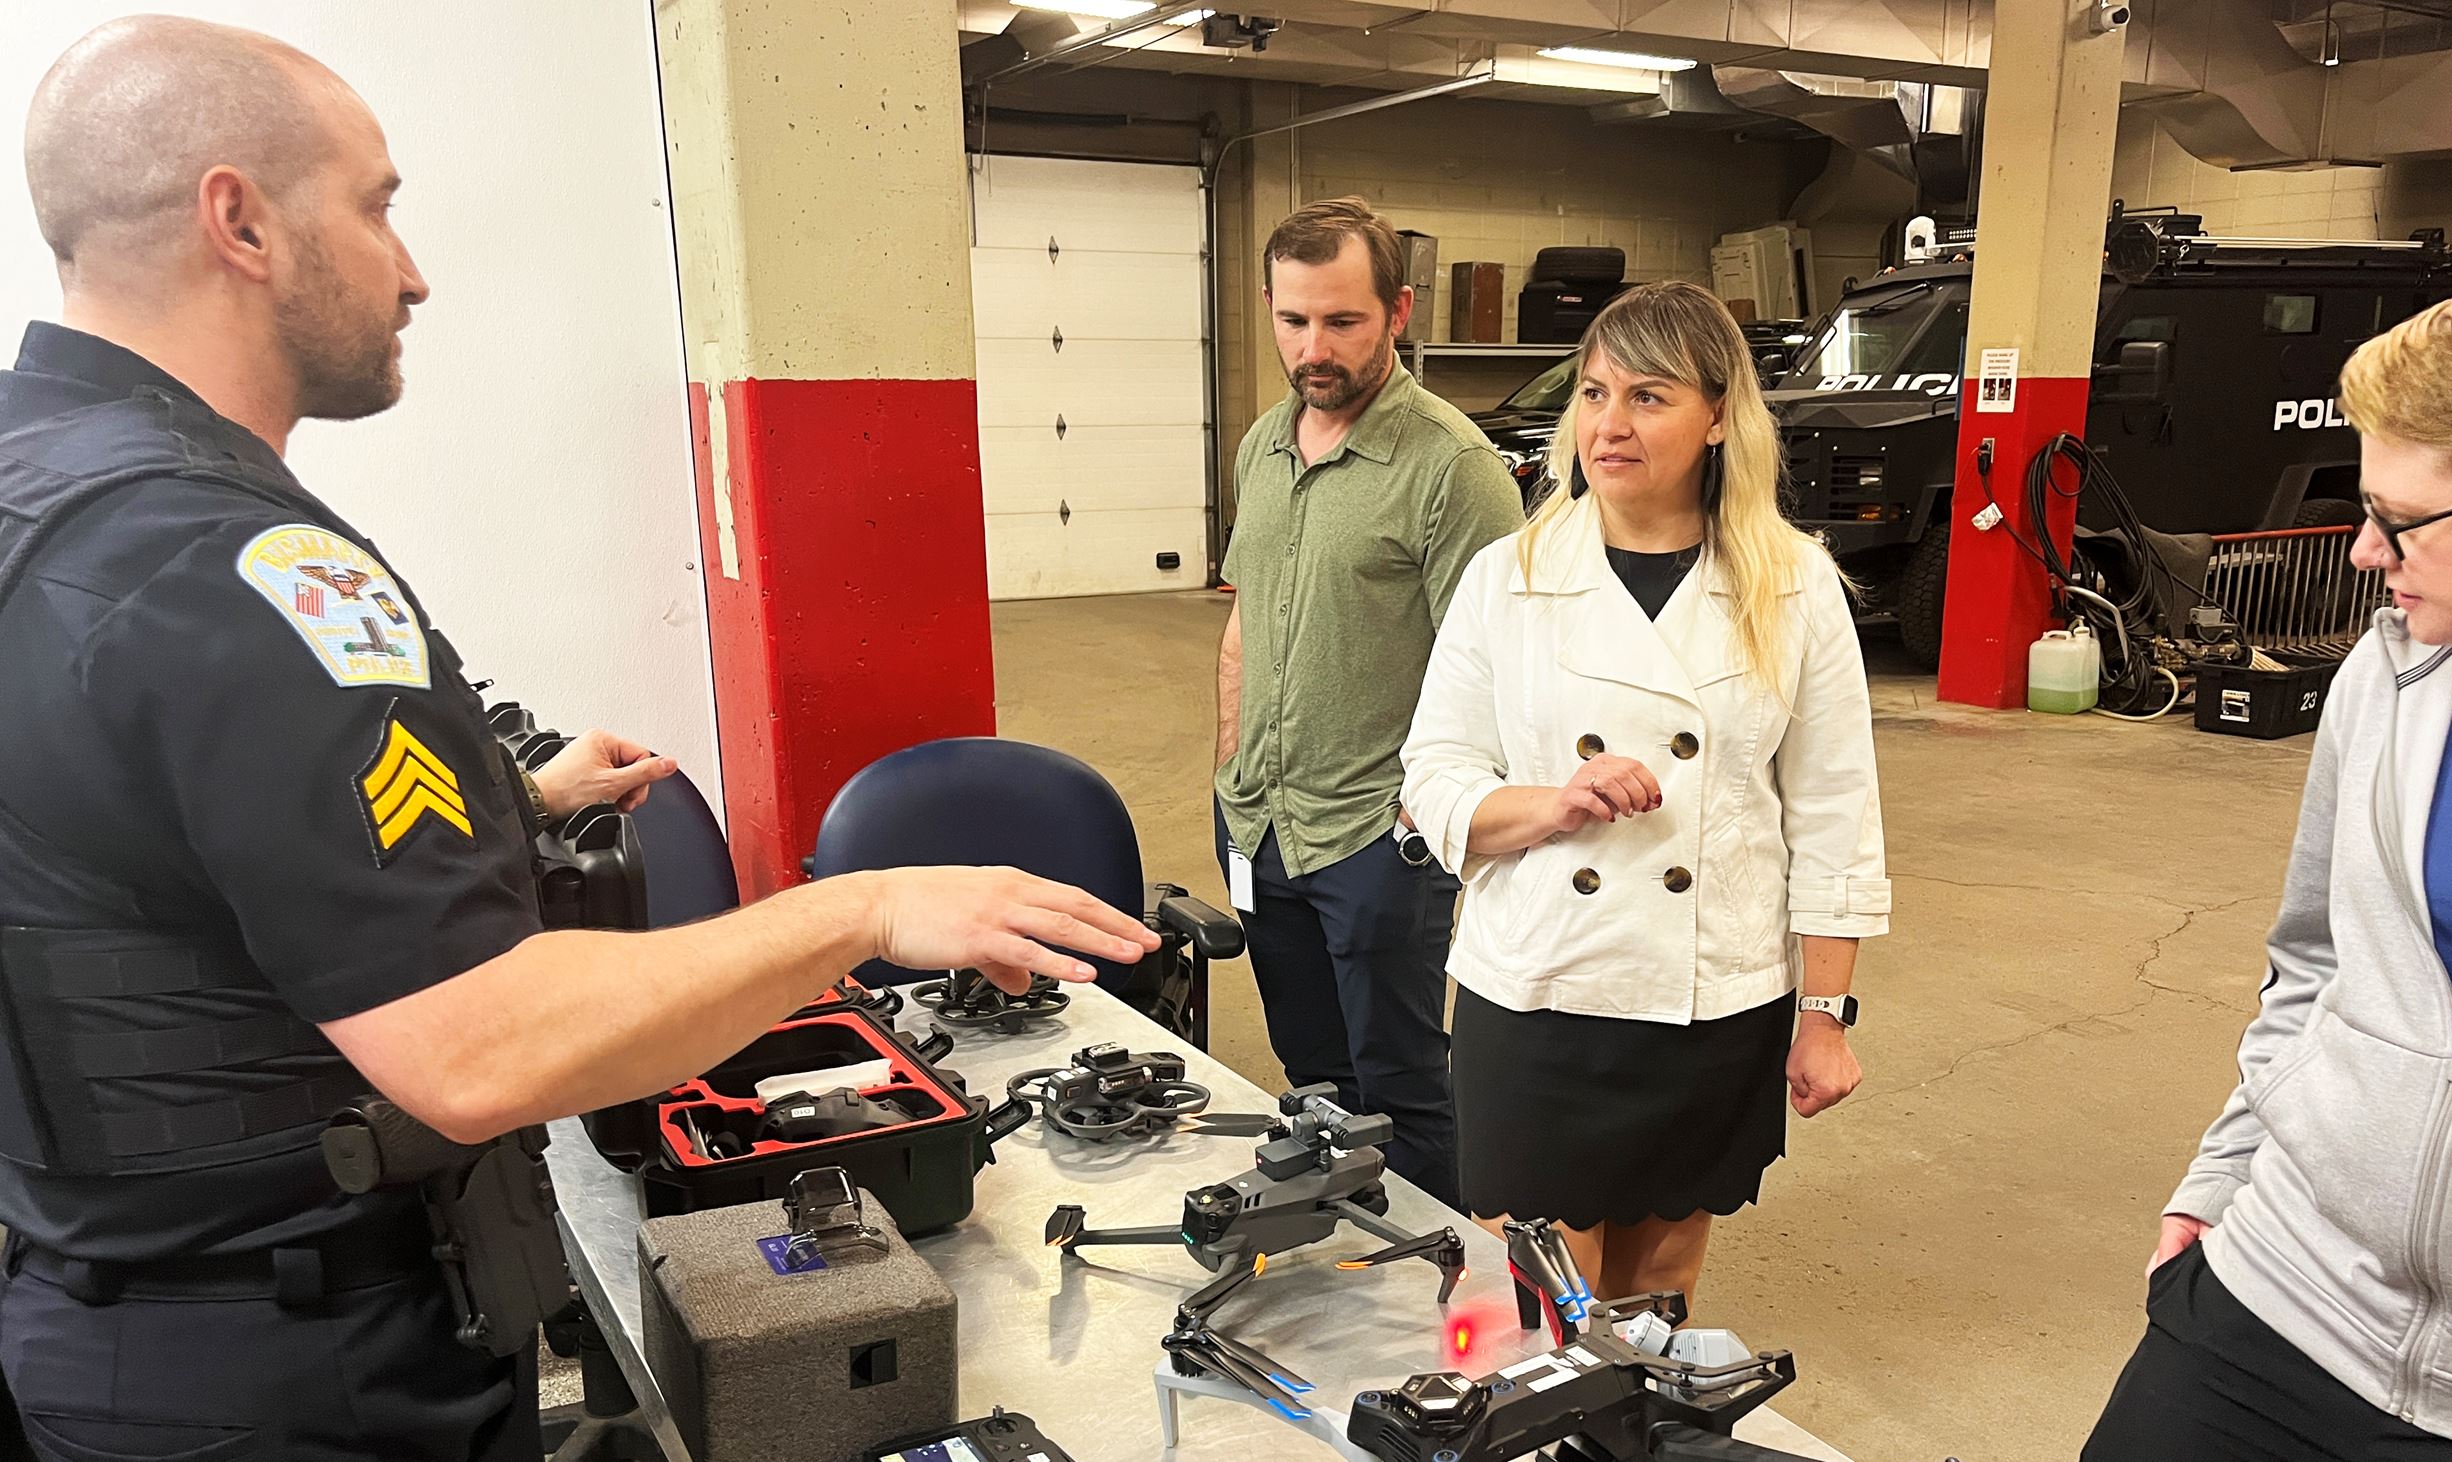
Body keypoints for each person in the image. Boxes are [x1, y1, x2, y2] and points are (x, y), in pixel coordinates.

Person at [0, 20, 1157, 1461]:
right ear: (238, 220)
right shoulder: (232, 570)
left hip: (110, 1313)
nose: (411, 270)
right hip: (297, 1374)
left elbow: (138, 851)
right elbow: (477, 1044)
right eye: (376, 205)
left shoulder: (43, 504)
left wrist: (511, 798)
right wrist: (858, 907)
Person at [2082, 252, 2452, 1462]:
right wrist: (2223, 1174)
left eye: (2397, 519)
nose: (2363, 551)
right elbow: (2312, 961)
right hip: (2279, 1297)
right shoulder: (2391, 671)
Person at [1399, 281, 1888, 1302]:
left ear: (1717, 416)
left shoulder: (1793, 584)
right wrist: (1553, 802)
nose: (1606, 425)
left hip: (1712, 993)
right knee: (1535, 1291)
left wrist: (1826, 1011)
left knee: (1659, 1278)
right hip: (1540, 989)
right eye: (1591, 392)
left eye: (1647, 397)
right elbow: (1434, 774)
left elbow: (1834, 811)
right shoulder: (1508, 577)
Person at [1215, 198, 1525, 1210]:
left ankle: (1433, 1290)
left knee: (1399, 1084)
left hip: (1375, 834)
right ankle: (1341, 1240)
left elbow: (1498, 672)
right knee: (1309, 1069)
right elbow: (1244, 620)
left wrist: (1429, 812)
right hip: (1261, 819)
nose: (1315, 347)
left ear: (1395, 312)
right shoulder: (1263, 444)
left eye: (1342, 321)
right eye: (1294, 320)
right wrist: (1228, 771)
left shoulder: (1452, 468)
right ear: (1267, 305)